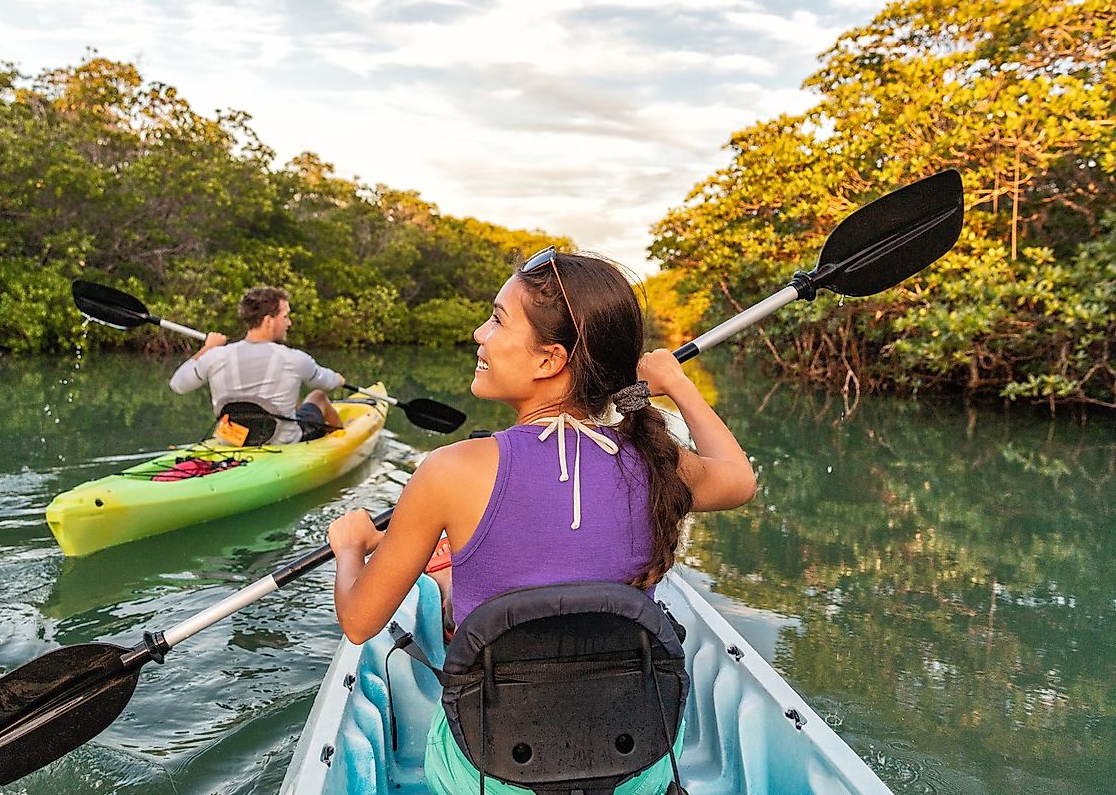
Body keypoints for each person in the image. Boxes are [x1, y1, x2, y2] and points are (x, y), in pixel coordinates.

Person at [327, 248, 757, 795]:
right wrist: (676, 383)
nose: (480, 334)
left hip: (490, 776)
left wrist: (351, 546)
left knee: (448, 587)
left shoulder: (450, 470)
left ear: (549, 359)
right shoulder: (656, 461)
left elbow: (359, 622)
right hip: (631, 770)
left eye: (497, 320)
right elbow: (739, 479)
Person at [168, 286, 345, 444]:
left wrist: (207, 348)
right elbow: (327, 382)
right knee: (318, 397)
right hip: (281, 442)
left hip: (231, 442)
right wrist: (338, 379)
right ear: (268, 321)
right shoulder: (295, 359)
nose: (289, 323)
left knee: (294, 402)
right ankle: (343, 437)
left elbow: (177, 384)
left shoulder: (215, 356)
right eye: (285, 317)